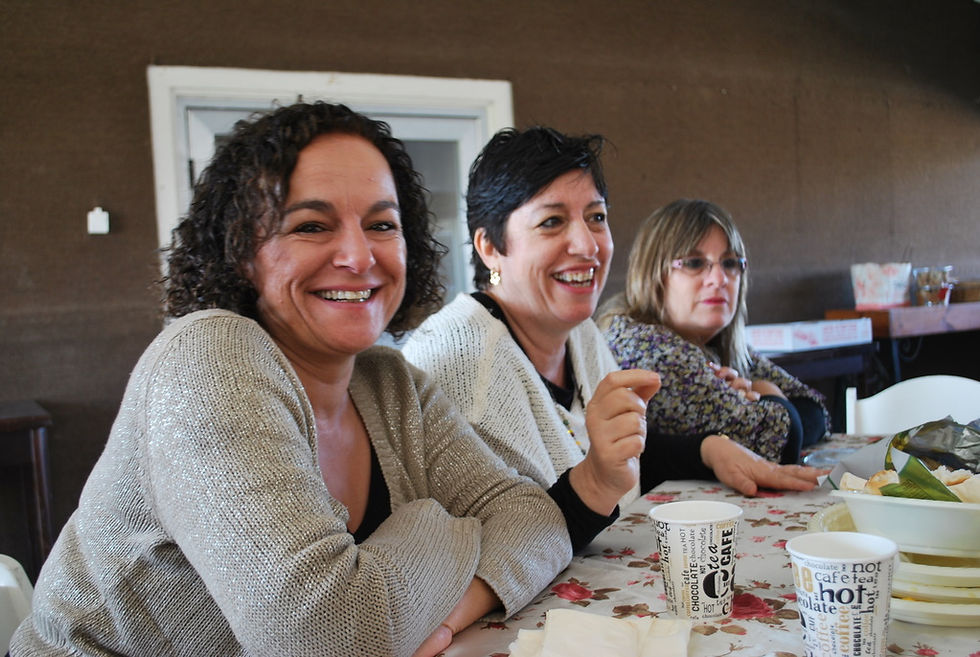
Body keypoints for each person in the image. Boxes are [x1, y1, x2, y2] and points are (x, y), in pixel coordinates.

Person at [10, 103, 571, 657]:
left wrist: (448, 615)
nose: (358, 256)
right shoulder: (207, 359)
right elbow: (328, 639)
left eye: (381, 225)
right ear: (241, 253)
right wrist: (443, 523)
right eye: (311, 226)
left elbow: (538, 521)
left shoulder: (392, 386)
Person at [402, 128, 823, 534]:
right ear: (491, 247)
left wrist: (707, 450)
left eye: (596, 217)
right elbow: (508, 540)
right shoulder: (462, 366)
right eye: (551, 221)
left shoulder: (580, 333)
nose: (587, 246)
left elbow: (609, 461)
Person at [598, 198, 830, 465]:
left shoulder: (715, 342)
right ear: (654, 275)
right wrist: (765, 390)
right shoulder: (645, 347)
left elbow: (816, 412)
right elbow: (780, 440)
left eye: (729, 263)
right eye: (694, 263)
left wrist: (758, 399)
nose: (719, 279)